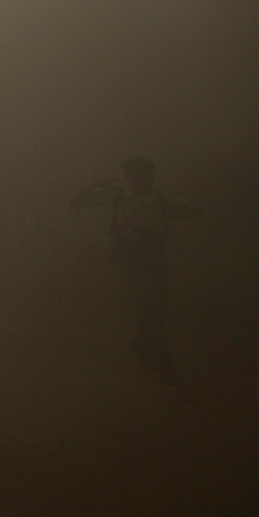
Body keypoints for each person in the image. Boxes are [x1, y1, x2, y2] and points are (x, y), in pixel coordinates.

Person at [73, 156, 199, 375]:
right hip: (128, 258)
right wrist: (95, 185)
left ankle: (142, 342)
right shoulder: (117, 195)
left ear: (151, 178)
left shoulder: (160, 196)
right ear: (128, 178)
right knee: (150, 305)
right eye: (135, 176)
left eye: (145, 176)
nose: (140, 180)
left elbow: (193, 209)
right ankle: (158, 355)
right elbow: (77, 203)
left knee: (158, 302)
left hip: (155, 257)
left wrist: (164, 216)